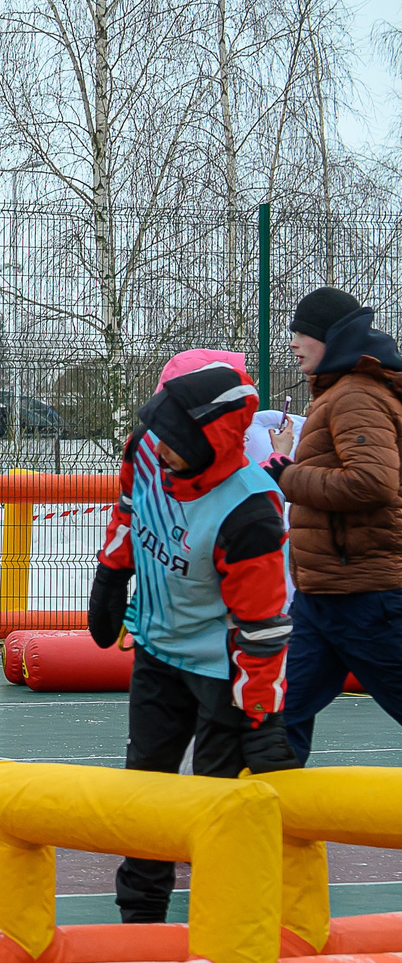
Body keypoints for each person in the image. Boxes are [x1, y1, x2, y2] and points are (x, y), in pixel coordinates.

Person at [87, 350, 297, 923]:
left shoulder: (250, 511)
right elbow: (130, 510)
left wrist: (262, 712)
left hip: (221, 669)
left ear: (210, 441)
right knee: (146, 788)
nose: (161, 446)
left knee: (214, 799)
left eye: (174, 438)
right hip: (157, 648)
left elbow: (263, 622)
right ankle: (140, 915)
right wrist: (112, 573)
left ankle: (223, 921)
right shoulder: (150, 452)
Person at [272, 288, 402, 761]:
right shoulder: (339, 394)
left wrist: (288, 476)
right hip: (323, 595)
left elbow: (373, 483)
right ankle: (270, 822)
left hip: (364, 595)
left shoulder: (356, 396)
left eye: (303, 332)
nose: (293, 342)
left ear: (334, 338)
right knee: (281, 714)